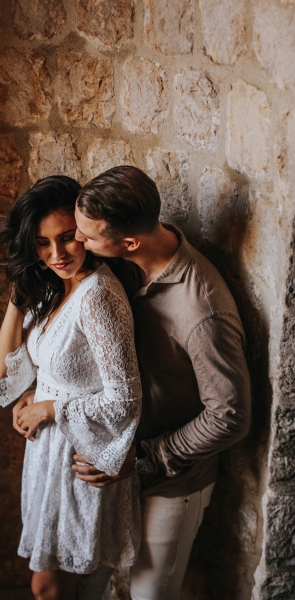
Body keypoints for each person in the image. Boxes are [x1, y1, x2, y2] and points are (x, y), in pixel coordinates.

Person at [72, 166, 252, 600]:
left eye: (88, 236)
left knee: (151, 595)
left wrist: (149, 457)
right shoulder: (127, 263)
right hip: (117, 467)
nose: (79, 243)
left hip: (172, 481)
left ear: (129, 242)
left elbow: (230, 415)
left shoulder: (202, 310)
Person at [0, 175, 142, 600]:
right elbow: (6, 375)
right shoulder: (54, 289)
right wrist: (17, 295)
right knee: (70, 590)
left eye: (67, 238)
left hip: (80, 455)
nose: (56, 254)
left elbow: (125, 397)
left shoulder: (98, 294)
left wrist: (49, 408)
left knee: (50, 589)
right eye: (41, 243)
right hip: (48, 458)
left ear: (85, 233)